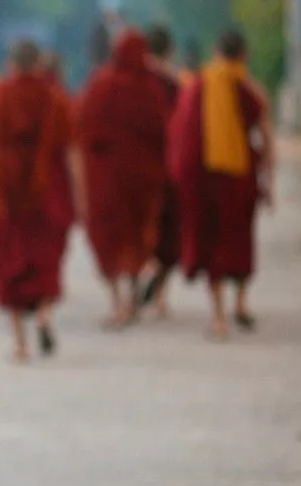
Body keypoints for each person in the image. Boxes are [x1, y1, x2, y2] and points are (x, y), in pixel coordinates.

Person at [0, 40, 85, 361]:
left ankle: (20, 343)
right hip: (46, 189)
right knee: (45, 259)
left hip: (7, 191)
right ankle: (44, 315)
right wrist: (79, 193)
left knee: (11, 262)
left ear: (11, 62)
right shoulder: (56, 99)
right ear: (38, 64)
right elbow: (71, 148)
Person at [168, 29, 274, 338]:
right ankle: (240, 303)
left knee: (213, 245)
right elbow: (264, 136)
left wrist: (181, 180)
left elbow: (180, 137)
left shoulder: (196, 87)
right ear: (244, 55)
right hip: (241, 177)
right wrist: (268, 178)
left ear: (215, 52)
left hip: (205, 182)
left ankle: (219, 318)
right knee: (240, 241)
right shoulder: (249, 88)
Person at [77, 29, 169, 328]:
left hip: (108, 177)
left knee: (110, 237)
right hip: (144, 178)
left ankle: (118, 302)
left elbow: (83, 129)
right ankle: (133, 294)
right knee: (137, 235)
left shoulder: (101, 84)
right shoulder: (152, 88)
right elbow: (163, 132)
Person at [138, 24, 183, 317]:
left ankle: (132, 289)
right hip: (166, 164)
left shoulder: (131, 81)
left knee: (138, 227)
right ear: (170, 50)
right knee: (169, 231)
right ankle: (161, 296)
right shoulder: (173, 84)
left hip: (136, 168)